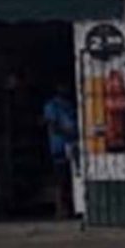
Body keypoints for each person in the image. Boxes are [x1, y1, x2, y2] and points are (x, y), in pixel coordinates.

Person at [43, 86, 81, 220]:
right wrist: (70, 133)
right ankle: (60, 209)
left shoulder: (69, 105)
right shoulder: (52, 106)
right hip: (60, 146)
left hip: (72, 145)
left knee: (73, 179)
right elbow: (53, 126)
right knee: (61, 179)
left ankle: (71, 207)